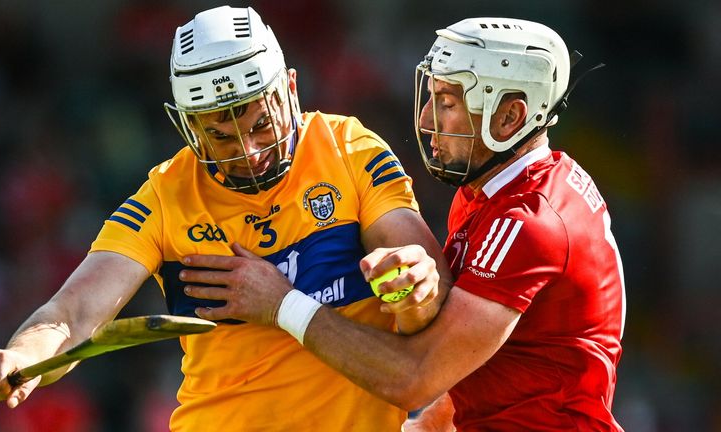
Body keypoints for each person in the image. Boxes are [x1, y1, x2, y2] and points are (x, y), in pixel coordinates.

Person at [0, 6, 451, 431]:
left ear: (291, 89)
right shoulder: (164, 196)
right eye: (221, 137)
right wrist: (21, 356)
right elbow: (73, 313)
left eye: (262, 124)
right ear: (188, 126)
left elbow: (428, 278)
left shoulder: (351, 149)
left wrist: (415, 281)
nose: (251, 152)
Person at [181, 17, 626, 431]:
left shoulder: (529, 222)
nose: (428, 119)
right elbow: (478, 356)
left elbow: (416, 376)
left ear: (510, 116)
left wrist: (281, 303)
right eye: (430, 95)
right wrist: (425, 424)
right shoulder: (489, 191)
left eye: (447, 102)